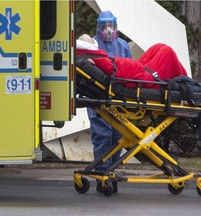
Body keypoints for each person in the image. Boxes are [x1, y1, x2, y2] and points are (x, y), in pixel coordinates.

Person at [86, 11, 132, 193]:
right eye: (104, 26)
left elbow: (129, 70)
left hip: (118, 99)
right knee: (102, 137)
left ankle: (111, 174)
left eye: (111, 25)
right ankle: (102, 176)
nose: (108, 29)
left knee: (117, 138)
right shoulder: (92, 44)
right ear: (99, 26)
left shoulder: (122, 45)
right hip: (99, 98)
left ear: (116, 26)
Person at [76, 36, 188, 89]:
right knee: (167, 51)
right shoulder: (93, 56)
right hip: (140, 77)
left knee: (159, 47)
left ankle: (185, 81)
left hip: (136, 70)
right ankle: (186, 83)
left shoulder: (91, 56)